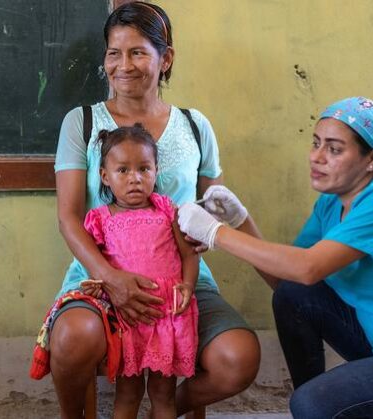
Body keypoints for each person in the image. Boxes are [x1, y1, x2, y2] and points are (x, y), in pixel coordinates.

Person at [178, 96, 373, 418]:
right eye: (316, 143)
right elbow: (290, 280)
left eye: (334, 149)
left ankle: (324, 407)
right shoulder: (332, 203)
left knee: (312, 404)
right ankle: (328, 407)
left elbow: (307, 268)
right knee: (294, 298)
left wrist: (216, 232)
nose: (317, 157)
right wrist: (241, 222)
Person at [43, 2, 261, 417]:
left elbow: (212, 210)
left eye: (138, 52)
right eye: (113, 52)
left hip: (181, 284)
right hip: (99, 277)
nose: (123, 65)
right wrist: (111, 279)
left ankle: (166, 409)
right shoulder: (82, 123)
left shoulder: (195, 126)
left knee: (238, 359)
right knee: (73, 339)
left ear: (166, 59)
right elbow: (69, 218)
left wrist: (209, 234)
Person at [78, 124, 199, 418]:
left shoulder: (167, 211)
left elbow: (189, 254)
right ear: (105, 176)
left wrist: (188, 285)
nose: (135, 179)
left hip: (166, 313)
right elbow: (96, 266)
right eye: (123, 171)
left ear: (156, 170)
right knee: (128, 394)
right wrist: (98, 285)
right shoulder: (100, 219)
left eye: (144, 169)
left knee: (163, 394)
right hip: (128, 315)